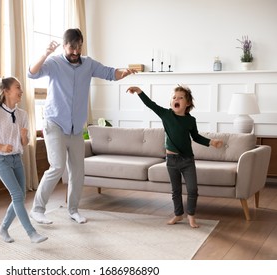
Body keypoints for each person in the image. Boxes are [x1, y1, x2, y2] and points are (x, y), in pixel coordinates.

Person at [28, 28, 137, 224]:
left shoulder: (88, 64)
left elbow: (110, 73)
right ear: (64, 46)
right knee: (57, 166)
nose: (76, 52)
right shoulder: (54, 63)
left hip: (76, 128)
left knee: (78, 171)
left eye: (79, 48)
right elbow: (32, 73)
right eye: (72, 48)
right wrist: (45, 54)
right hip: (55, 123)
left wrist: (124, 72)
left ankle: (73, 210)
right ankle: (37, 209)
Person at [126, 85, 223, 228]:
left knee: (192, 190)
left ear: (188, 103)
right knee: (175, 190)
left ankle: (191, 216)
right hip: (171, 160)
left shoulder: (190, 120)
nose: (176, 99)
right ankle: (178, 214)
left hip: (187, 160)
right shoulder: (166, 115)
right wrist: (139, 92)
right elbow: (150, 105)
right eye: (174, 97)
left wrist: (211, 142)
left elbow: (195, 137)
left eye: (181, 98)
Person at [0, 77, 48, 243]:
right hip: (0, 160)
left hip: (17, 159)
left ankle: (3, 229)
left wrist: (24, 137)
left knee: (20, 196)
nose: (21, 91)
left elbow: (24, 143)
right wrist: (1, 147)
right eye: (18, 88)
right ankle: (31, 233)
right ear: (6, 91)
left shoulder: (22, 114)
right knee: (17, 195)